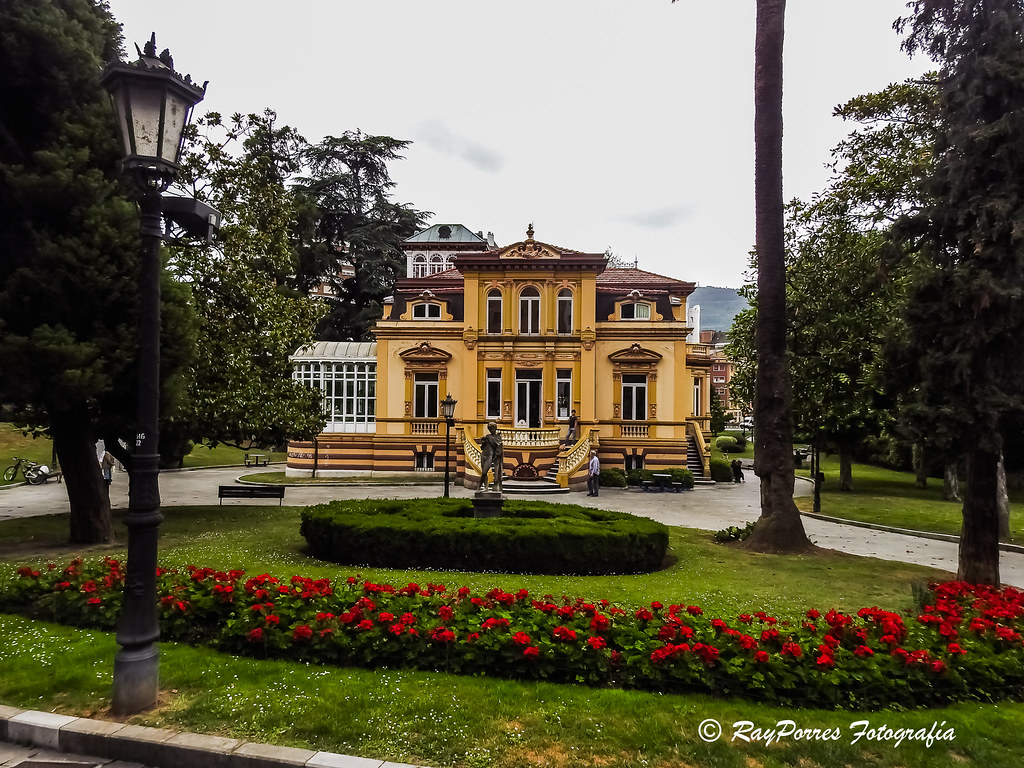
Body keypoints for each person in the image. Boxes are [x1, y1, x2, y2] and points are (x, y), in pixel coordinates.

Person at [477, 422, 504, 493]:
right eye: (490, 429)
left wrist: (497, 455)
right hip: (483, 455)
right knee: (484, 473)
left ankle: (478, 486)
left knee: (484, 472)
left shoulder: (497, 438)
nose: (492, 430)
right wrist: (483, 442)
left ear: (495, 428)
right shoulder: (488, 436)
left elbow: (499, 448)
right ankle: (486, 487)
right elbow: (482, 448)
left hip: (490, 456)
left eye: (493, 429)